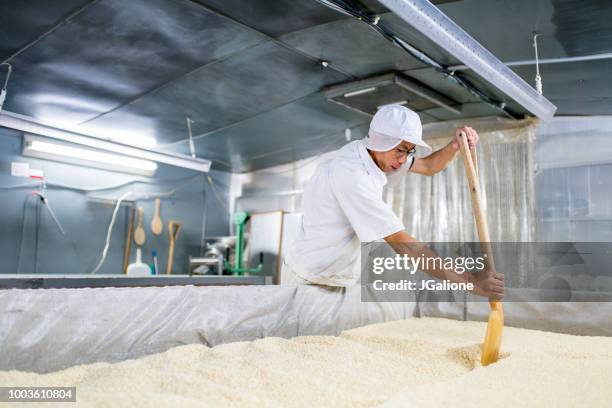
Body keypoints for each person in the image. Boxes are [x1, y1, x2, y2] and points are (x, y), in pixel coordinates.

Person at [282, 104, 504, 299]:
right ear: (380, 142)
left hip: (337, 277)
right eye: (400, 150)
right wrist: (470, 281)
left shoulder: (376, 156)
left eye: (409, 151)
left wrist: (455, 145)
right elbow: (400, 242)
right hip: (309, 278)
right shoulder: (351, 173)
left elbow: (428, 166)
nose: (403, 159)